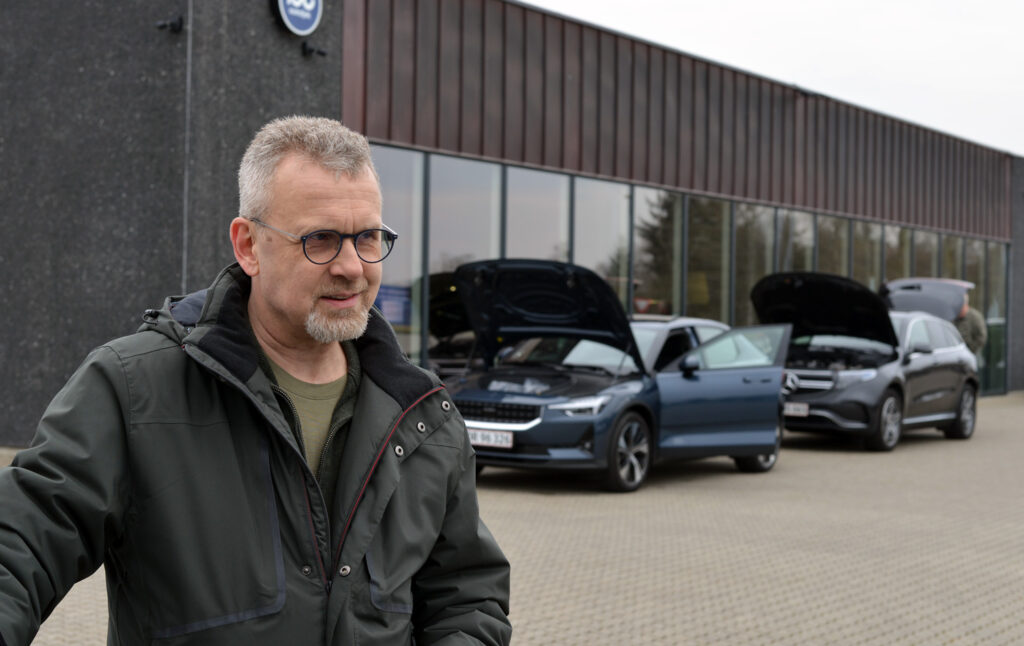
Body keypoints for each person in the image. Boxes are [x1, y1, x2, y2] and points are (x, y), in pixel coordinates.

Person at [0, 116, 512, 645]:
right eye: (322, 240)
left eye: (368, 238)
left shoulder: (422, 413)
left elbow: (468, 596)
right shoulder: (132, 390)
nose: (353, 267)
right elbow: (21, 545)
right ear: (248, 245)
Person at [955, 292, 987, 356]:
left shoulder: (974, 317)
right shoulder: (955, 317)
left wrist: (970, 349)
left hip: (970, 354)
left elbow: (981, 337)